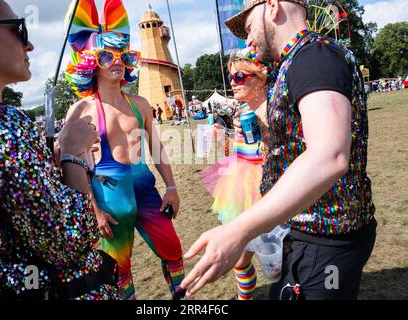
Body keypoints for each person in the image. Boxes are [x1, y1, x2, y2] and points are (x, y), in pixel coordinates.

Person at [182, 0, 376, 300]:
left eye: (248, 28)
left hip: (325, 243)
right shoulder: (295, 61)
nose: (246, 41)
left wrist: (239, 230)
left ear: (271, 6)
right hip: (310, 237)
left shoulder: (314, 56)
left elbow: (329, 155)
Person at [0, 0, 119, 300]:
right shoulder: (0, 126)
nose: (29, 44)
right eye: (19, 29)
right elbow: (71, 240)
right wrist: (73, 154)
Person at [64, 0, 185, 300]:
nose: (117, 62)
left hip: (145, 186)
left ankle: (182, 299)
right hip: (109, 193)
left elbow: (157, 149)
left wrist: (171, 187)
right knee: (120, 267)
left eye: (123, 56)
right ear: (91, 62)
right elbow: (75, 168)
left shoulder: (140, 103)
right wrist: (95, 211)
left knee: (172, 249)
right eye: (106, 56)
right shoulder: (81, 110)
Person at [201, 47, 271, 300]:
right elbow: (243, 151)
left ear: (260, 77)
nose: (233, 82)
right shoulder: (244, 111)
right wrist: (224, 139)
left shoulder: (274, 108)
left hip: (268, 190)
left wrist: (267, 134)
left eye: (239, 76)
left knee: (278, 255)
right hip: (239, 188)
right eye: (231, 77)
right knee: (240, 259)